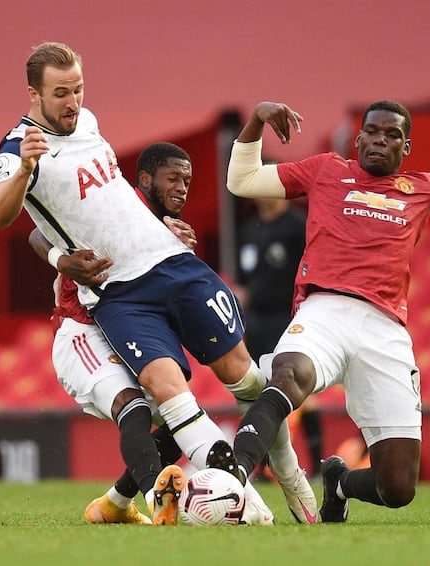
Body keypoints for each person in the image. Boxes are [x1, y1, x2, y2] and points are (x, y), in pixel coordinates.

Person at [0, 43, 316, 525]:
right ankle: (245, 509)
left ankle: (291, 477)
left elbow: (109, 202)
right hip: (119, 292)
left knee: (243, 375)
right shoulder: (18, 147)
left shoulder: (89, 122)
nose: (72, 102)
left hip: (171, 263)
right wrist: (25, 171)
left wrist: (161, 223)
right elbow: (0, 215)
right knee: (164, 388)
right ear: (33, 93)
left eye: (78, 89)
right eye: (60, 93)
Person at [207, 100, 430, 522]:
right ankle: (232, 478)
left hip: (385, 329)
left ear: (407, 147)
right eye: (373, 132)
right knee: (290, 374)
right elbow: (242, 180)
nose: (380, 140)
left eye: (392, 135)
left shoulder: (422, 188)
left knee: (398, 487)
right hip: (324, 309)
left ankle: (340, 484)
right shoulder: (327, 170)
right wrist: (256, 120)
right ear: (359, 137)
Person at [29, 142, 272, 526]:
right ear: (143, 181)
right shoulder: (118, 207)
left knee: (182, 420)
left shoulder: (163, 229)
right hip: (83, 331)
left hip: (130, 330)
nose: (181, 188)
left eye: (187, 180)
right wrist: (61, 260)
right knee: (135, 408)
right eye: (172, 178)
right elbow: (36, 233)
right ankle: (155, 498)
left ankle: (114, 504)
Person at [235, 197, 323, 478]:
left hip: (289, 318)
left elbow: (312, 269)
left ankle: (317, 462)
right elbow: (244, 281)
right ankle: (262, 465)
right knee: (261, 388)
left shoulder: (297, 224)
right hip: (258, 320)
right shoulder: (249, 229)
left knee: (299, 390)